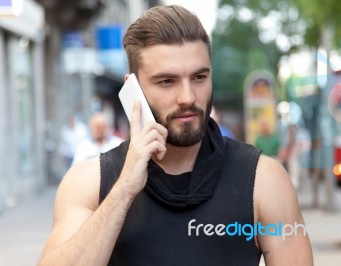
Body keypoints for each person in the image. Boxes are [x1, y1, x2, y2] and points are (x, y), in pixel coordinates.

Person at [38, 5, 312, 265]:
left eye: (199, 77)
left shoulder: (263, 180)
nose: (188, 97)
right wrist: (123, 191)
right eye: (167, 81)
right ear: (133, 89)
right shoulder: (90, 182)